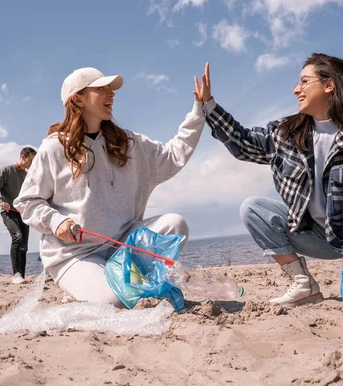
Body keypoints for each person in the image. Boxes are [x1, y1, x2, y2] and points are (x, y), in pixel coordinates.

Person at [196, 54, 343, 307]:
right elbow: (242, 142)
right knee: (253, 207)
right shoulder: (285, 133)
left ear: (329, 85)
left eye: (304, 82)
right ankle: (303, 284)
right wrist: (209, 104)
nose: (296, 90)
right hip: (313, 237)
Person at [13, 67, 206, 305]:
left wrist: (199, 111)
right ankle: (83, 286)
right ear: (78, 98)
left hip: (122, 247)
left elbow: (172, 155)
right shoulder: (54, 148)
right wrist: (56, 221)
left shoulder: (128, 143)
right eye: (102, 89)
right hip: (75, 254)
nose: (111, 94)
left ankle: (119, 279)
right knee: (113, 301)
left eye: (111, 89)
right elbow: (27, 202)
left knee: (175, 225)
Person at [0, 147, 37, 284]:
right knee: (17, 237)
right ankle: (15, 274)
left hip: (23, 213)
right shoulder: (7, 170)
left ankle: (21, 275)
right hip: (8, 212)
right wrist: (1, 202)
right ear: (22, 156)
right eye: (31, 161)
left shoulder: (27, 176)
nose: (32, 164)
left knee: (24, 245)